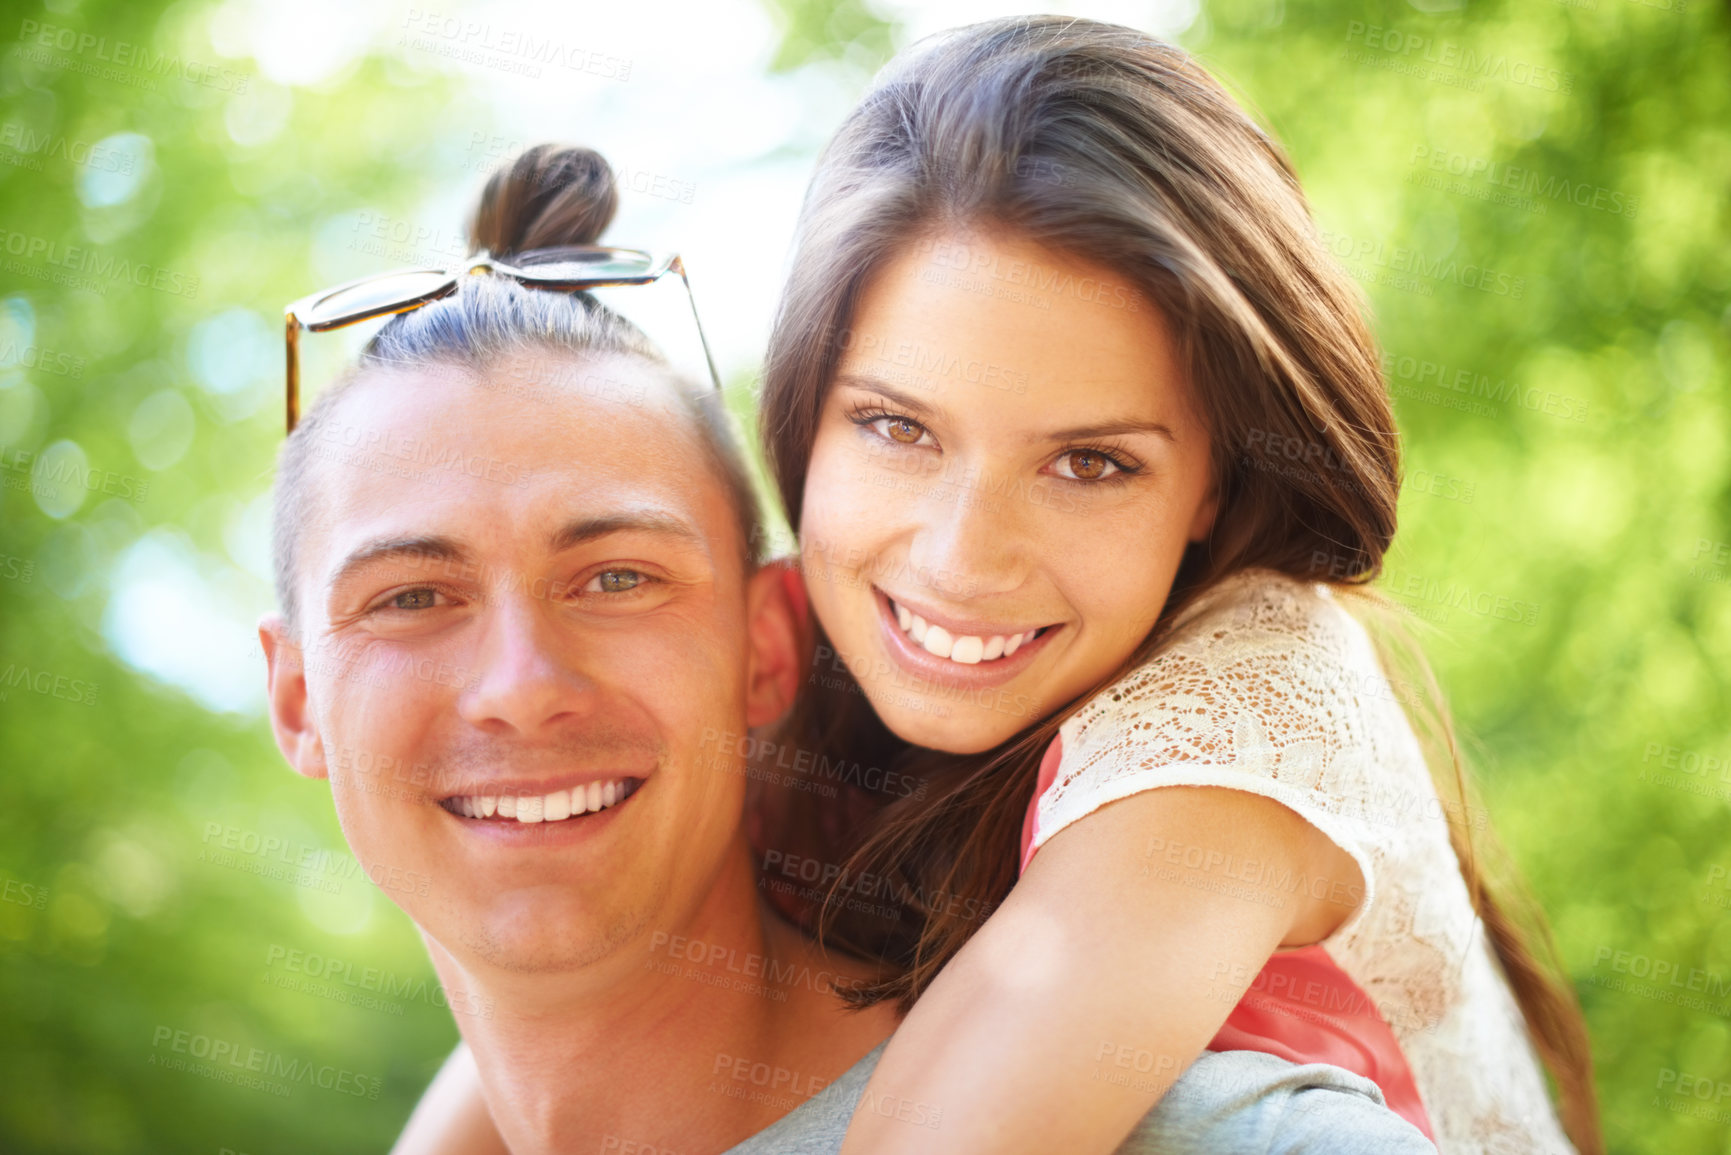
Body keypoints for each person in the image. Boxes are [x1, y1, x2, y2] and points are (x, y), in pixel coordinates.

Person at [266, 145, 1433, 1154]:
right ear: (297, 698)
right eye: (413, 597)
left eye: (618, 577)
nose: (519, 688)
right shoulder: (854, 785)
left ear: (769, 645)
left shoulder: (1188, 1099)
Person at [745, 16, 1599, 1155]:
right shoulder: (778, 645)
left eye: (1089, 462)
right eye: (897, 427)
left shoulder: (1236, 723)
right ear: (807, 416)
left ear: (1217, 482)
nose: (959, 559)